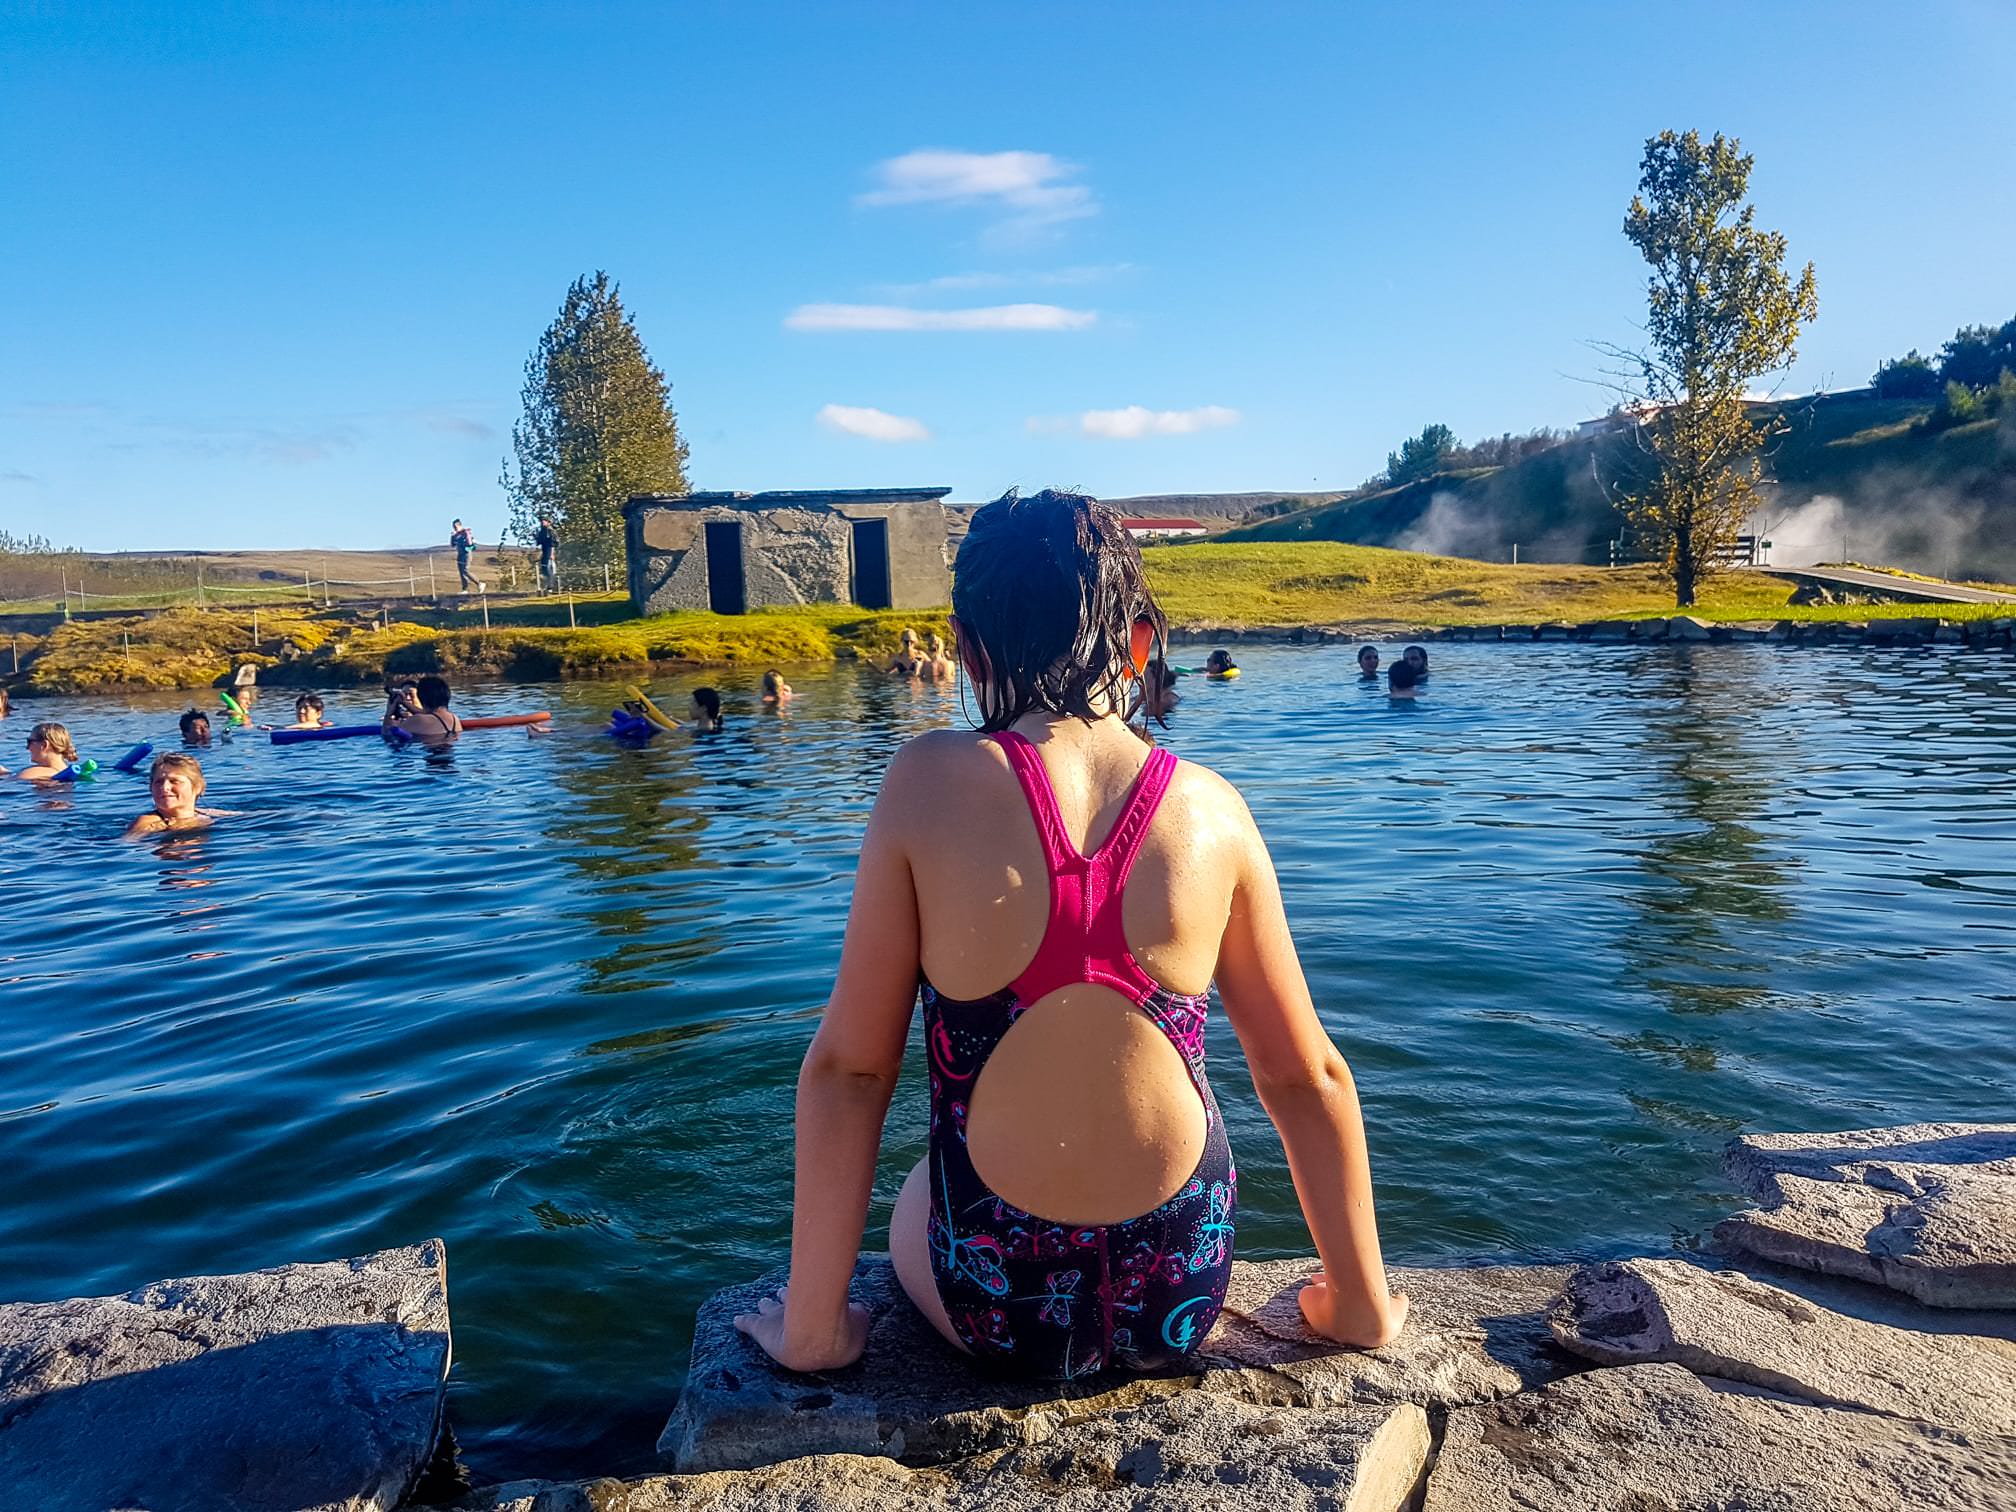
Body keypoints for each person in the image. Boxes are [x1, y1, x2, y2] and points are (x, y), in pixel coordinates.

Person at [732, 487, 1405, 1381]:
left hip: (1000, 1306)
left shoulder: (927, 781)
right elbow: (1302, 1072)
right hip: (1180, 1292)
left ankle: (821, 1322)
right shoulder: (1212, 808)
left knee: (914, 1189)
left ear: (967, 652)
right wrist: (1357, 1304)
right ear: (1135, 644)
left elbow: (852, 1070)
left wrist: (812, 1332)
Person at [125, 752, 229, 837]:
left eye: (174, 781)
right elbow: (127, 843)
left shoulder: (207, 813)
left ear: (198, 787)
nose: (165, 787)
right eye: (159, 782)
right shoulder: (148, 823)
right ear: (150, 788)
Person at [384, 674, 462, 744]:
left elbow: (387, 733)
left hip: (429, 756)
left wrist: (389, 712)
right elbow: (431, 715)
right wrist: (405, 703)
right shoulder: (455, 718)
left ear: (422, 697)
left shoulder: (419, 719)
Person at [1143, 656, 1181, 720]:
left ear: (1157, 678)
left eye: (1145, 676)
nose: (1141, 679)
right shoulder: (1145, 695)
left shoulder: (1169, 698)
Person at [534, 516, 560, 594]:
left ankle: (551, 587)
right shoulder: (542, 531)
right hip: (544, 550)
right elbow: (539, 541)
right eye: (542, 521)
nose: (542, 522)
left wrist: (552, 553)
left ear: (548, 522)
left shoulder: (550, 531)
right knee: (544, 567)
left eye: (544, 520)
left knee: (548, 567)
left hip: (549, 550)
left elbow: (553, 543)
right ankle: (548, 585)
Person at [451, 519, 478, 592]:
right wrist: (452, 536)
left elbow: (469, 543)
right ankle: (465, 589)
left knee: (466, 570)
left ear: (458, 525)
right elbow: (452, 545)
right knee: (461, 572)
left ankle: (479, 583)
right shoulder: (456, 534)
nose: (454, 528)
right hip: (460, 554)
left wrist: (465, 545)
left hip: (466, 553)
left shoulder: (465, 532)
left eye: (454, 526)